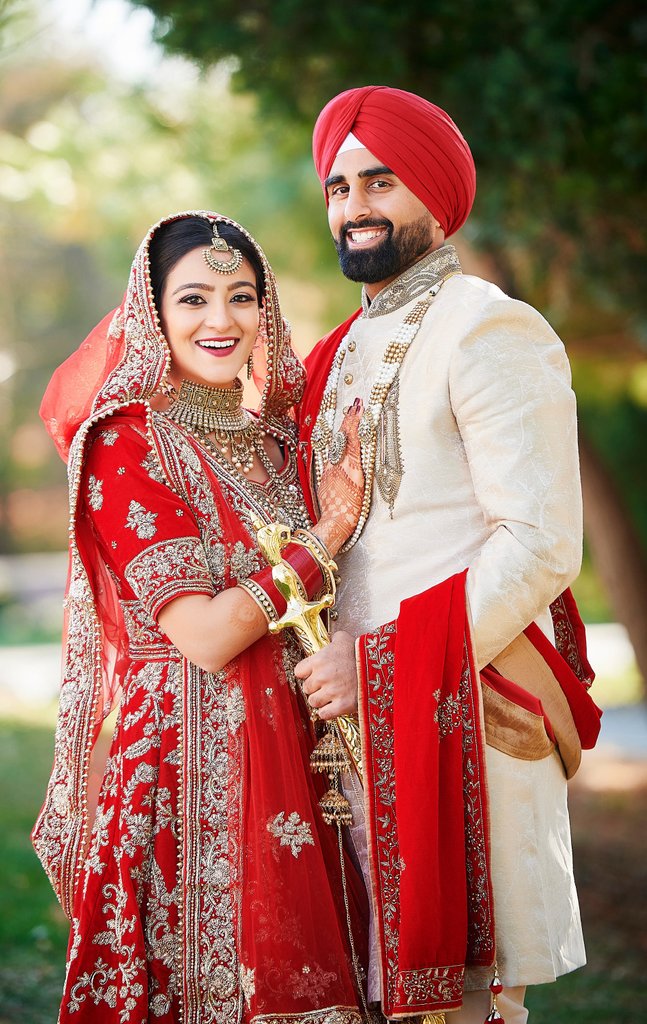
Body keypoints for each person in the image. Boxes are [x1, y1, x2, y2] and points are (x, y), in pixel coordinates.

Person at [294, 86, 602, 1024]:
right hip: (349, 722)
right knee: (377, 991)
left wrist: (380, 666)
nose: (354, 207)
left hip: (464, 706)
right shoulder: (338, 349)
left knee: (468, 1002)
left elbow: (542, 542)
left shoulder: (487, 327)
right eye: (339, 187)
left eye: (379, 182)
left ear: (433, 194)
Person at [33, 211, 373, 1023]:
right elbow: (208, 635)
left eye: (241, 297)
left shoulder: (276, 443)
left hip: (301, 750)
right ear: (152, 314)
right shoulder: (127, 440)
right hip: (188, 772)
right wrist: (323, 536)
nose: (221, 322)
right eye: (193, 300)